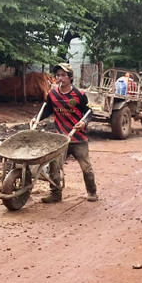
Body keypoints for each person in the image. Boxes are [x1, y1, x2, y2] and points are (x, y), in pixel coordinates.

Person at [31, 62, 98, 203]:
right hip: (60, 138)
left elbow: (88, 112)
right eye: (58, 75)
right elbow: (48, 109)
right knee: (55, 167)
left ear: (70, 77)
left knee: (86, 167)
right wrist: (36, 119)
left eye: (63, 75)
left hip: (78, 138)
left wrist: (84, 123)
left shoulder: (79, 95)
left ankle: (92, 192)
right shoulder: (53, 94)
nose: (60, 78)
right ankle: (55, 193)